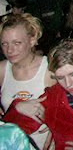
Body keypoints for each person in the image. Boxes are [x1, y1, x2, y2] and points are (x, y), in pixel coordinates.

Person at [3, 38, 73, 149]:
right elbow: (8, 132)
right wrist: (17, 108)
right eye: (60, 78)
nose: (68, 84)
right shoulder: (52, 98)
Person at [0, 13, 56, 149]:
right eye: (4, 44)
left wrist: (55, 127)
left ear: (32, 40)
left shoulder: (49, 69)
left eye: (17, 43)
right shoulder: (2, 70)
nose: (9, 50)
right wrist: (16, 107)